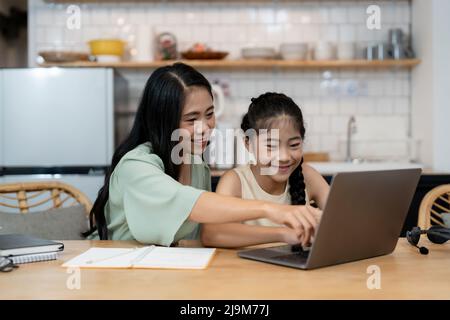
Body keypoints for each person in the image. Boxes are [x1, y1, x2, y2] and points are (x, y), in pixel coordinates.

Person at [84, 64, 321, 247]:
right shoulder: (137, 166)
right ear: (164, 122)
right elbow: (191, 204)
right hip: (116, 271)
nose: (205, 127)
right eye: (191, 119)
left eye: (209, 114)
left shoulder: (196, 164)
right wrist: (273, 210)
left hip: (163, 271)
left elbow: (207, 230)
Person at [201, 92, 329, 248]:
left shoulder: (308, 175)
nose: (284, 156)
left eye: (294, 145)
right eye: (271, 146)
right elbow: (212, 234)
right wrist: (282, 234)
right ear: (248, 143)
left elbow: (344, 217)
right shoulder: (235, 181)